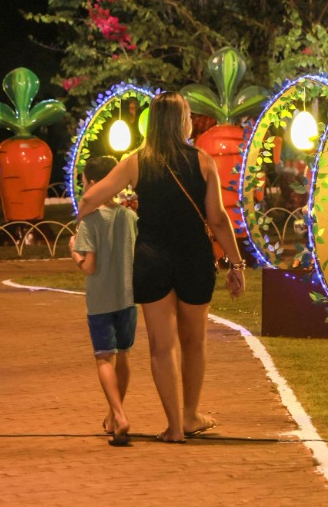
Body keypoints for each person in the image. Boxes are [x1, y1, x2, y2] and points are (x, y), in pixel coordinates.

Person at [78, 93, 245, 442]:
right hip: (194, 257)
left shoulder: (137, 161)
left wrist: (90, 223)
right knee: (194, 341)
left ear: (152, 123)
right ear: (183, 121)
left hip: (152, 258)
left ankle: (173, 427)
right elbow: (217, 218)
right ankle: (190, 415)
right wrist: (236, 263)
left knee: (161, 346)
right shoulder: (203, 161)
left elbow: (91, 198)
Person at [70, 155, 138, 447]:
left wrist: (74, 252)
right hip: (128, 298)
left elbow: (89, 267)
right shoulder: (130, 217)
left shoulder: (90, 220)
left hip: (100, 302)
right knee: (123, 355)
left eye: (85, 182)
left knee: (103, 358)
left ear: (95, 184)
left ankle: (119, 416)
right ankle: (112, 415)